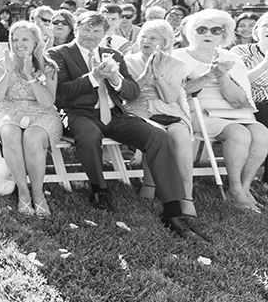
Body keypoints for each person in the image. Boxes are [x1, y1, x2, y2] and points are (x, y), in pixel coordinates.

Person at [47, 12, 203, 239]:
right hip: (79, 114)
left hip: (115, 114)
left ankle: (172, 209)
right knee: (89, 135)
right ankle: (99, 189)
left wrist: (115, 80)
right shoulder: (58, 53)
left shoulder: (114, 55)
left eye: (97, 31)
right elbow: (60, 94)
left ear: (104, 33)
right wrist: (93, 77)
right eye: (86, 29)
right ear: (76, 29)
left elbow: (133, 91)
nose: (91, 35)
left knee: (158, 135)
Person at [174, 10, 268, 211]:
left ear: (223, 34)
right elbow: (176, 92)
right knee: (238, 133)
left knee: (261, 133)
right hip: (194, 112)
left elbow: (239, 99)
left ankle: (245, 187)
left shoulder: (231, 58)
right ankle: (234, 188)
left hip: (231, 112)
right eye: (202, 29)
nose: (208, 34)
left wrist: (223, 77)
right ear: (192, 32)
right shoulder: (179, 56)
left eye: (215, 30)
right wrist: (209, 75)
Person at [124, 20, 196, 216]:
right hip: (137, 108)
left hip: (168, 109)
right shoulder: (127, 61)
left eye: (152, 38)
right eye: (143, 37)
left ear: (164, 42)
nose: (146, 41)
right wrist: (146, 75)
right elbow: (128, 94)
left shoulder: (176, 64)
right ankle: (149, 183)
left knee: (180, 136)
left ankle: (186, 196)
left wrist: (158, 76)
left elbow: (171, 98)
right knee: (155, 132)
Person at [0, 21, 60, 216]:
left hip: (42, 113)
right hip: (8, 109)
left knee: (33, 137)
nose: (18, 43)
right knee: (10, 133)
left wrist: (30, 75)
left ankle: (38, 194)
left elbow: (47, 103)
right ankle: (23, 192)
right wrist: (9, 71)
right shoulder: (3, 64)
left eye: (25, 39)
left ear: (36, 41)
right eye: (14, 38)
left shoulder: (49, 66)